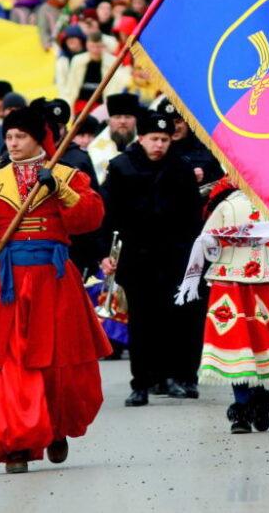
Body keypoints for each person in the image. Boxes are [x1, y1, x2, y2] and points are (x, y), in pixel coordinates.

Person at [0, 103, 110, 474]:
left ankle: (55, 427)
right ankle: (16, 444)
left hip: (56, 281)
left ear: (38, 140)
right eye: (9, 137)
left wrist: (60, 191)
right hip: (9, 286)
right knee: (11, 365)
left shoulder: (67, 176)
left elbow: (90, 219)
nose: (13, 143)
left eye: (21, 137)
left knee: (58, 364)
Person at [103, 111, 203, 405]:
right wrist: (104, 253)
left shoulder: (181, 168)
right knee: (142, 322)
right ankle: (141, 383)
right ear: (141, 138)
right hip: (137, 256)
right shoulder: (121, 167)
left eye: (164, 139)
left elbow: (192, 215)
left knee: (174, 319)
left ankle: (172, 376)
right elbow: (107, 214)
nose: (159, 145)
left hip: (174, 255)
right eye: (153, 139)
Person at [196, 176, 269, 434]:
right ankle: (241, 409)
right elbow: (207, 241)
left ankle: (260, 397)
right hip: (232, 278)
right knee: (237, 343)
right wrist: (213, 241)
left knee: (263, 341)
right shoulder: (225, 203)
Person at [87, 92, 141, 183]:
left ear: (136, 120)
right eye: (117, 117)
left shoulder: (145, 145)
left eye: (128, 117)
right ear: (108, 121)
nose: (123, 121)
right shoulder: (94, 150)